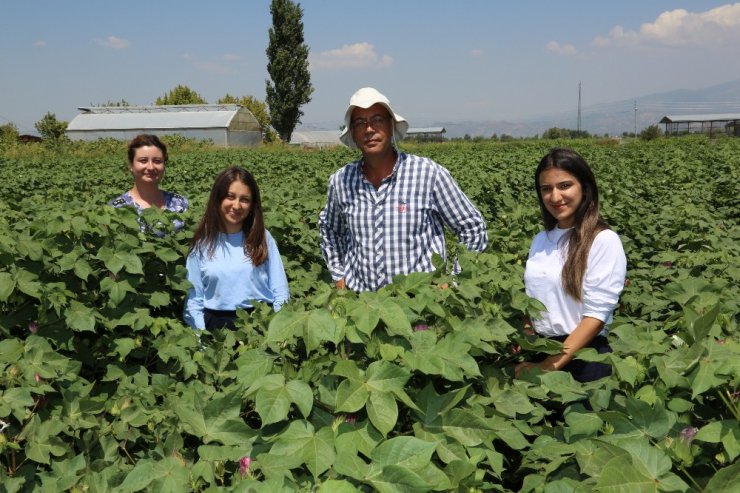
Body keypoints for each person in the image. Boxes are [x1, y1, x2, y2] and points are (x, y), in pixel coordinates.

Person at [318, 87, 488, 292]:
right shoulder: (341, 181)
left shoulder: (428, 174)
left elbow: (472, 228)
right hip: (362, 305)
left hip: (421, 305)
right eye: (360, 123)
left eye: (377, 120)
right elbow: (329, 229)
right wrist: (339, 275)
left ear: (391, 126)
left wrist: (452, 279)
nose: (369, 129)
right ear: (353, 133)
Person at [515, 148, 627, 382]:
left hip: (584, 358)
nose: (555, 197)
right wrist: (527, 334)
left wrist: (550, 365)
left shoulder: (603, 240)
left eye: (564, 185)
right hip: (542, 351)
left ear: (584, 187)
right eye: (546, 189)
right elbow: (533, 298)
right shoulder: (540, 239)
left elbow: (595, 317)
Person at [183, 166, 290, 330]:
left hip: (260, 322)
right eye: (230, 197)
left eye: (245, 199)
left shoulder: (262, 238)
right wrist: (200, 338)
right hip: (215, 327)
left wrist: (280, 331)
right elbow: (194, 299)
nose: (237, 205)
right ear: (218, 199)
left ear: (253, 204)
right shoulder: (202, 243)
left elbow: (280, 291)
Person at [109, 134, 188, 233]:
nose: (150, 167)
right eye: (143, 161)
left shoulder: (180, 203)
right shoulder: (117, 209)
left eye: (157, 161)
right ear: (131, 165)